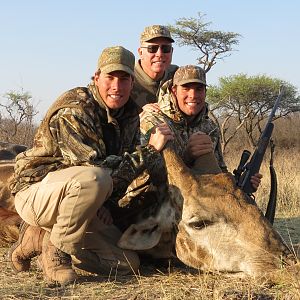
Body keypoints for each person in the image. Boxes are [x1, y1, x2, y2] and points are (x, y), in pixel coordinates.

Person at [8, 46, 173, 285]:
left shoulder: (129, 115)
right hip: (35, 193)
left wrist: (104, 202)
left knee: (126, 264)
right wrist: (149, 150)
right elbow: (93, 167)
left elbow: (116, 171)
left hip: (81, 196)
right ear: (96, 78)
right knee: (96, 179)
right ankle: (56, 254)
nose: (117, 86)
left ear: (132, 82)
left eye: (124, 78)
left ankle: (37, 239)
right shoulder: (75, 107)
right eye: (110, 77)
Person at [139, 65, 262, 190]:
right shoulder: (153, 121)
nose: (193, 95)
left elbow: (219, 174)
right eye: (186, 88)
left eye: (199, 89)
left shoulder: (210, 127)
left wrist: (240, 184)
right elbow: (143, 178)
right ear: (174, 90)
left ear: (205, 92)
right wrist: (186, 157)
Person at [131, 24, 178, 112]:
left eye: (166, 48)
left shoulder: (178, 76)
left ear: (172, 51)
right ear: (140, 52)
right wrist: (139, 115)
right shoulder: (126, 78)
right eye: (152, 48)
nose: (159, 54)